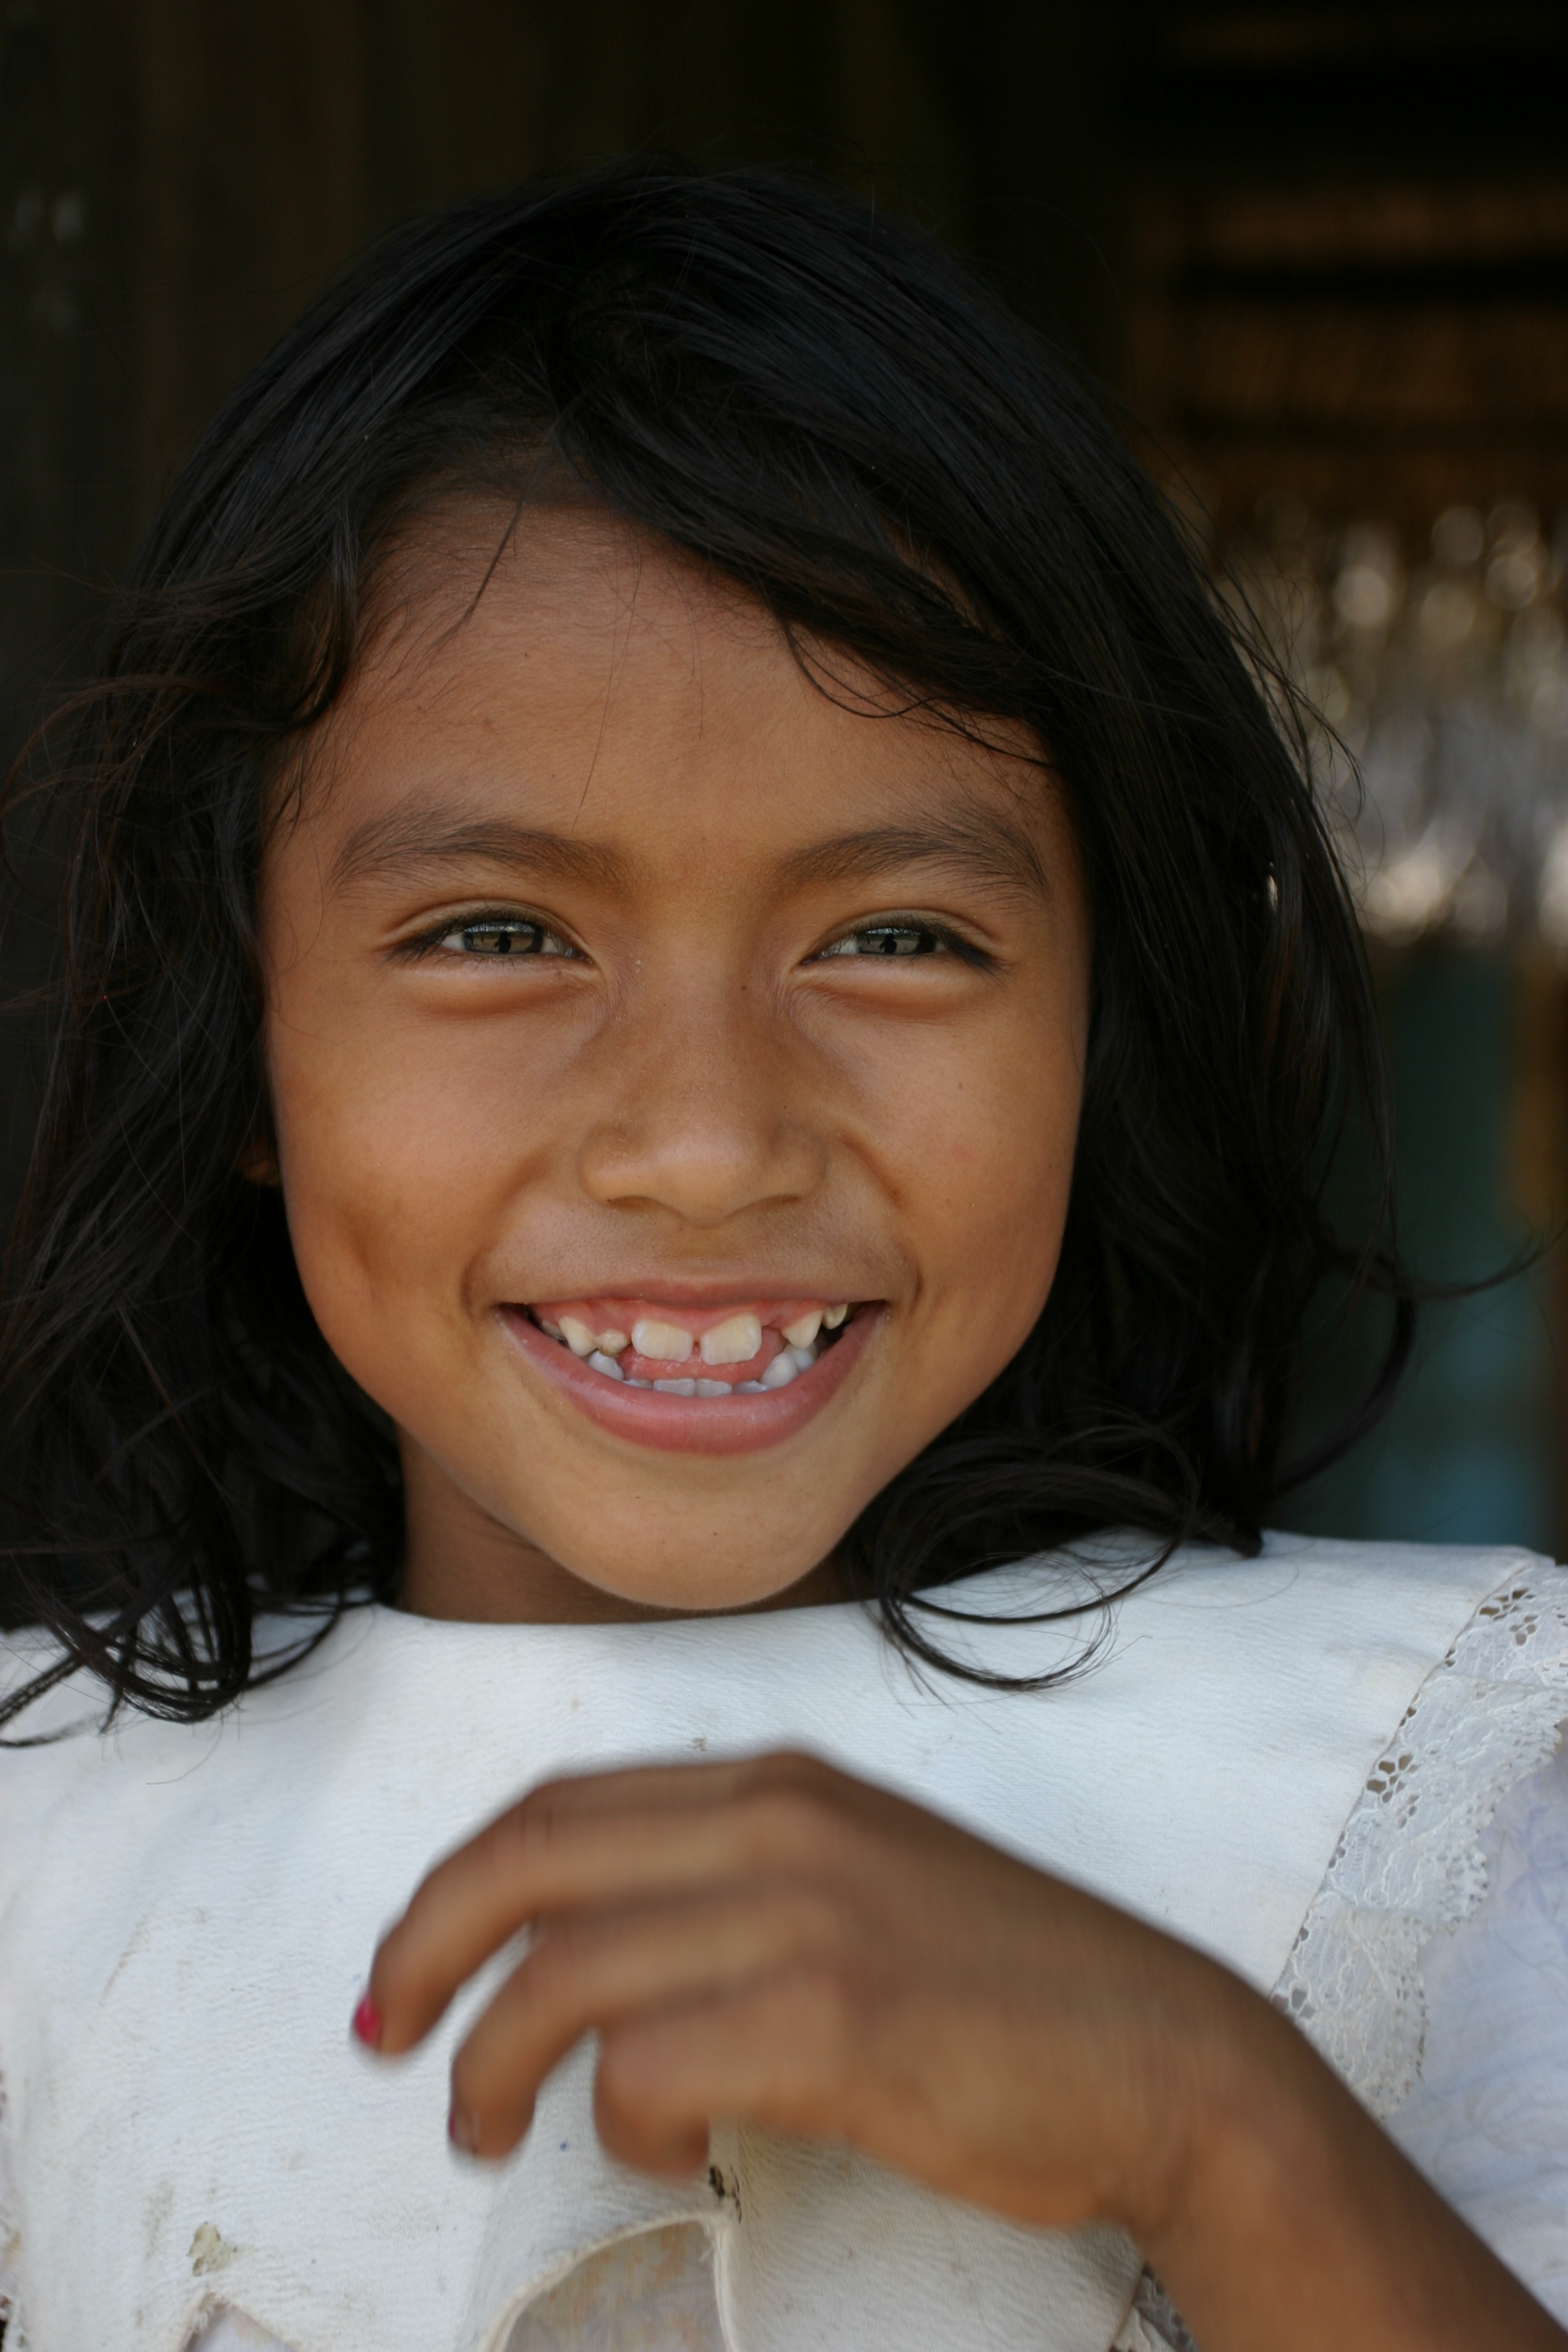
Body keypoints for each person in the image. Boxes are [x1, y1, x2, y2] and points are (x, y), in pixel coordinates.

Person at [0, 163, 1563, 2352]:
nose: (709, 1144)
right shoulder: (45, 1850)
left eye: (898, 937)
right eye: (495, 934)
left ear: (1102, 1027)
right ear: (236, 1031)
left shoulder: (1423, 1801)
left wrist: (1212, 2126)